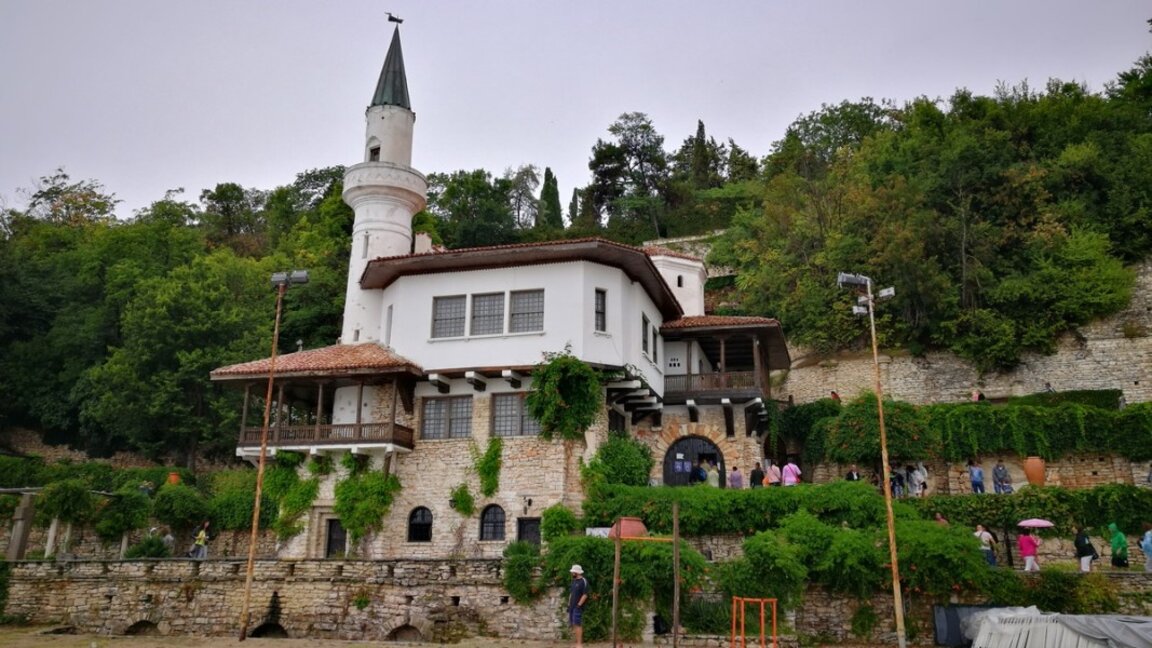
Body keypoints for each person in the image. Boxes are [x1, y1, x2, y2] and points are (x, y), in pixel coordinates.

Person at [568, 564, 588, 648]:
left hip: (577, 607)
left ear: (577, 572)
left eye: (573, 572)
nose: (572, 573)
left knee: (578, 624)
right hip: (571, 607)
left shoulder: (583, 581)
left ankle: (580, 644)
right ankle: (577, 643)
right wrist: (569, 604)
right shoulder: (574, 581)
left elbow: (585, 594)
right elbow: (571, 593)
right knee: (574, 624)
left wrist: (579, 605)